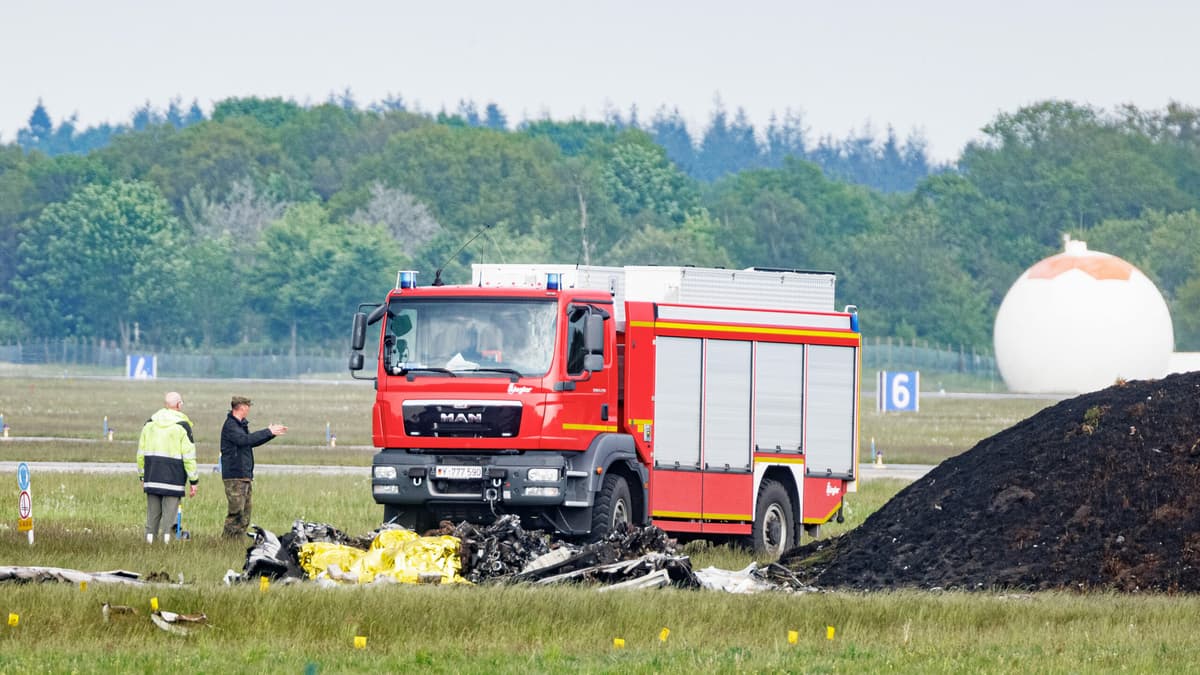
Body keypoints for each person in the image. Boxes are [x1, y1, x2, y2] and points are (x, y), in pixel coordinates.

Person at [220, 395, 287, 539]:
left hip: (244, 475)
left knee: (245, 514)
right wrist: (268, 432)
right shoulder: (231, 426)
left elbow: (251, 442)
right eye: (248, 407)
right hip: (235, 476)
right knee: (236, 512)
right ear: (242, 407)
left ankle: (237, 541)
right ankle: (227, 541)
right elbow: (244, 440)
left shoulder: (240, 425)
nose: (249, 410)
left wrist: (270, 434)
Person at [137, 391, 198, 544]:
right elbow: (189, 456)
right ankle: (167, 545)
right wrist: (193, 481)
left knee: (152, 516)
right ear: (178, 405)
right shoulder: (183, 425)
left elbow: (140, 453)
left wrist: (142, 476)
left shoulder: (149, 423)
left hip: (152, 476)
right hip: (173, 478)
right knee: (169, 518)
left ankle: (149, 543)